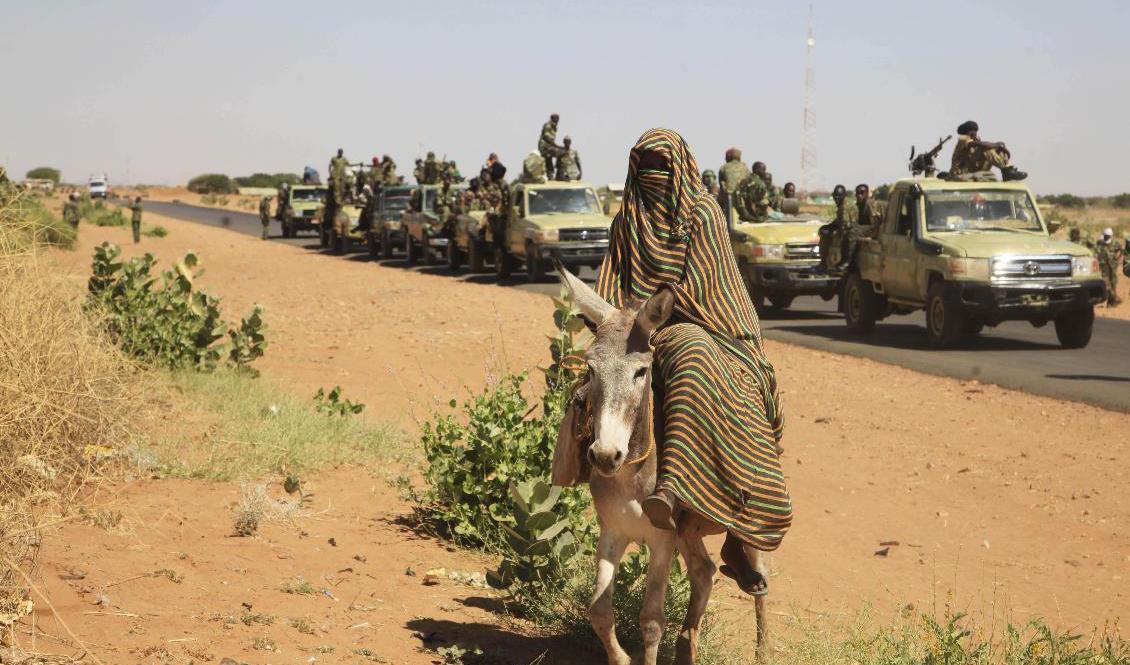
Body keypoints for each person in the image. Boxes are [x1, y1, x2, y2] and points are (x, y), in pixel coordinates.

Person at [594, 128, 790, 596]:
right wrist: (618, 324)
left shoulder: (701, 214)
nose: (656, 179)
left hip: (704, 323)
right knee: (593, 380)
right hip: (638, 323)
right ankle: (582, 474)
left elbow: (709, 286)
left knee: (691, 356)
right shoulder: (628, 219)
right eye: (647, 170)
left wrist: (659, 318)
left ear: (680, 169)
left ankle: (705, 508)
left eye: (664, 169)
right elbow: (612, 279)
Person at [949, 120, 1027, 181]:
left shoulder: (975, 140)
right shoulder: (963, 138)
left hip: (971, 169)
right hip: (960, 171)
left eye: (976, 131)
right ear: (967, 131)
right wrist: (996, 144)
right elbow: (979, 145)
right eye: (972, 130)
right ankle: (1005, 170)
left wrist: (999, 148)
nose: (975, 133)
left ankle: (1007, 171)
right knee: (986, 148)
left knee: (995, 149)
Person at [818, 184, 849, 271]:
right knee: (824, 231)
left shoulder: (846, 207)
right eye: (835, 195)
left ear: (844, 195)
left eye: (839, 195)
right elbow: (838, 221)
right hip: (844, 229)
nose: (837, 198)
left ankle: (824, 262)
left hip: (849, 233)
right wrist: (827, 227)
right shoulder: (841, 206)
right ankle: (824, 261)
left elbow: (846, 224)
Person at [717, 147, 750, 223]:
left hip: (728, 197)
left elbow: (721, 185)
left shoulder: (723, 167)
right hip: (743, 198)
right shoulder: (745, 167)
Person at [1095, 228, 1123, 306]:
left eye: (1108, 236)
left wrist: (1118, 259)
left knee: (1113, 283)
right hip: (1103, 266)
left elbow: (1122, 250)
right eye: (1106, 236)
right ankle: (1114, 298)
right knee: (1106, 283)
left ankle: (1111, 302)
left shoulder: (1115, 243)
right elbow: (1095, 253)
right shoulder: (1099, 243)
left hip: (1113, 266)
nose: (1107, 237)